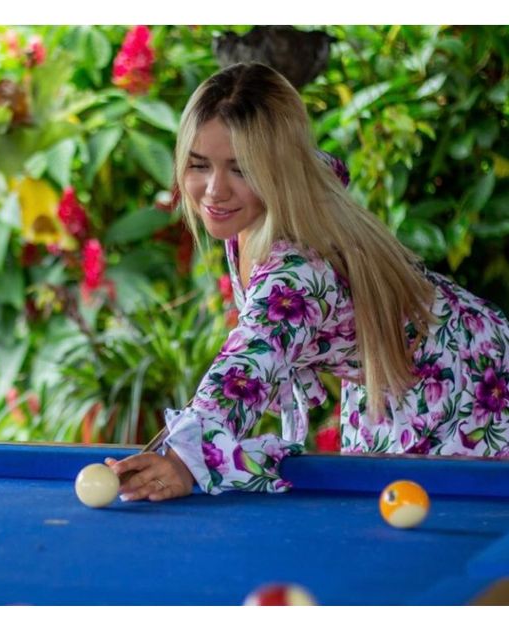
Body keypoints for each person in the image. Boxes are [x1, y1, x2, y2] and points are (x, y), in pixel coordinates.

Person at [105, 62, 509, 501]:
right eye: (199, 164)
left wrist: (185, 458)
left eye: (241, 169)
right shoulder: (279, 196)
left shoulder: (296, 267)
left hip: (471, 379)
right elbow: (329, 168)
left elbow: (249, 362)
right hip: (391, 377)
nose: (214, 190)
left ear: (280, 170)